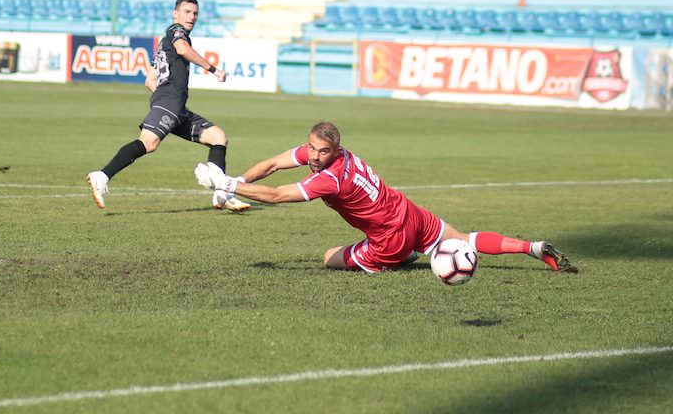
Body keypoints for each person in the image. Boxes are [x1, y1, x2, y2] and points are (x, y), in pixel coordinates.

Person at [196, 121, 576, 273]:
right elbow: (276, 164)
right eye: (310, 148)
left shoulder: (331, 179)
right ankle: (532, 247)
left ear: (333, 152)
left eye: (319, 152)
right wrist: (236, 177)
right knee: (462, 239)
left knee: (329, 257)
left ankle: (405, 259)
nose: (312, 156)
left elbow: (277, 196)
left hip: (390, 237)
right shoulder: (335, 155)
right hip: (408, 212)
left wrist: (224, 186)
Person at [86, 0, 251, 212]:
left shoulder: (164, 43)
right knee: (148, 143)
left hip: (174, 106)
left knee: (218, 137)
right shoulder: (176, 32)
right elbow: (183, 49)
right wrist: (213, 69)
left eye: (195, 13)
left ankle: (221, 193)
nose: (191, 17)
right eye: (187, 12)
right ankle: (102, 176)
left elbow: (149, 80)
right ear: (176, 13)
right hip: (170, 102)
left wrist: (164, 103)